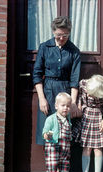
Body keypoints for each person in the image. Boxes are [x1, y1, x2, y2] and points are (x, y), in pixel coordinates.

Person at [33, 16, 81, 146]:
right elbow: (37, 74)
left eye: (65, 35)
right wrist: (41, 99)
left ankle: (62, 164)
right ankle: (51, 164)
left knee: (63, 133)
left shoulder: (74, 51)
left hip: (65, 92)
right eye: (59, 35)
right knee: (48, 131)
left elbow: (74, 79)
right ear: (53, 32)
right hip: (48, 91)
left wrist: (73, 103)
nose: (61, 38)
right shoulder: (44, 47)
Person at [77, 74, 103, 172]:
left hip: (98, 118)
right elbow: (79, 97)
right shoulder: (83, 84)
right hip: (86, 117)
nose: (89, 94)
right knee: (86, 148)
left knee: (98, 148)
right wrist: (79, 105)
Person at [42, 92, 74, 172]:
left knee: (65, 166)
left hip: (65, 146)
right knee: (52, 166)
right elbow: (45, 131)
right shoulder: (51, 119)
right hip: (53, 146)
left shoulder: (68, 119)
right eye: (63, 105)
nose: (65, 108)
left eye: (68, 106)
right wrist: (47, 135)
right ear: (56, 106)